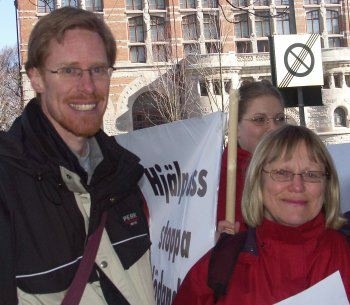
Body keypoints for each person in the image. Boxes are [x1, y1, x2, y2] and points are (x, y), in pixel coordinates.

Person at [0, 7, 155, 305]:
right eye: (69, 70)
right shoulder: (8, 185)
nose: (87, 87)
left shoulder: (124, 177)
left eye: (98, 69)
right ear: (37, 78)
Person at [173, 124, 350, 305]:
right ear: (258, 181)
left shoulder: (345, 252)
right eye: (282, 172)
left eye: (311, 174)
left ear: (327, 184)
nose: (297, 186)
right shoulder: (221, 265)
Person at [217, 80, 286, 234]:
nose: (274, 128)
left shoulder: (300, 173)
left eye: (280, 119)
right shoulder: (215, 180)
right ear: (235, 128)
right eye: (259, 120)